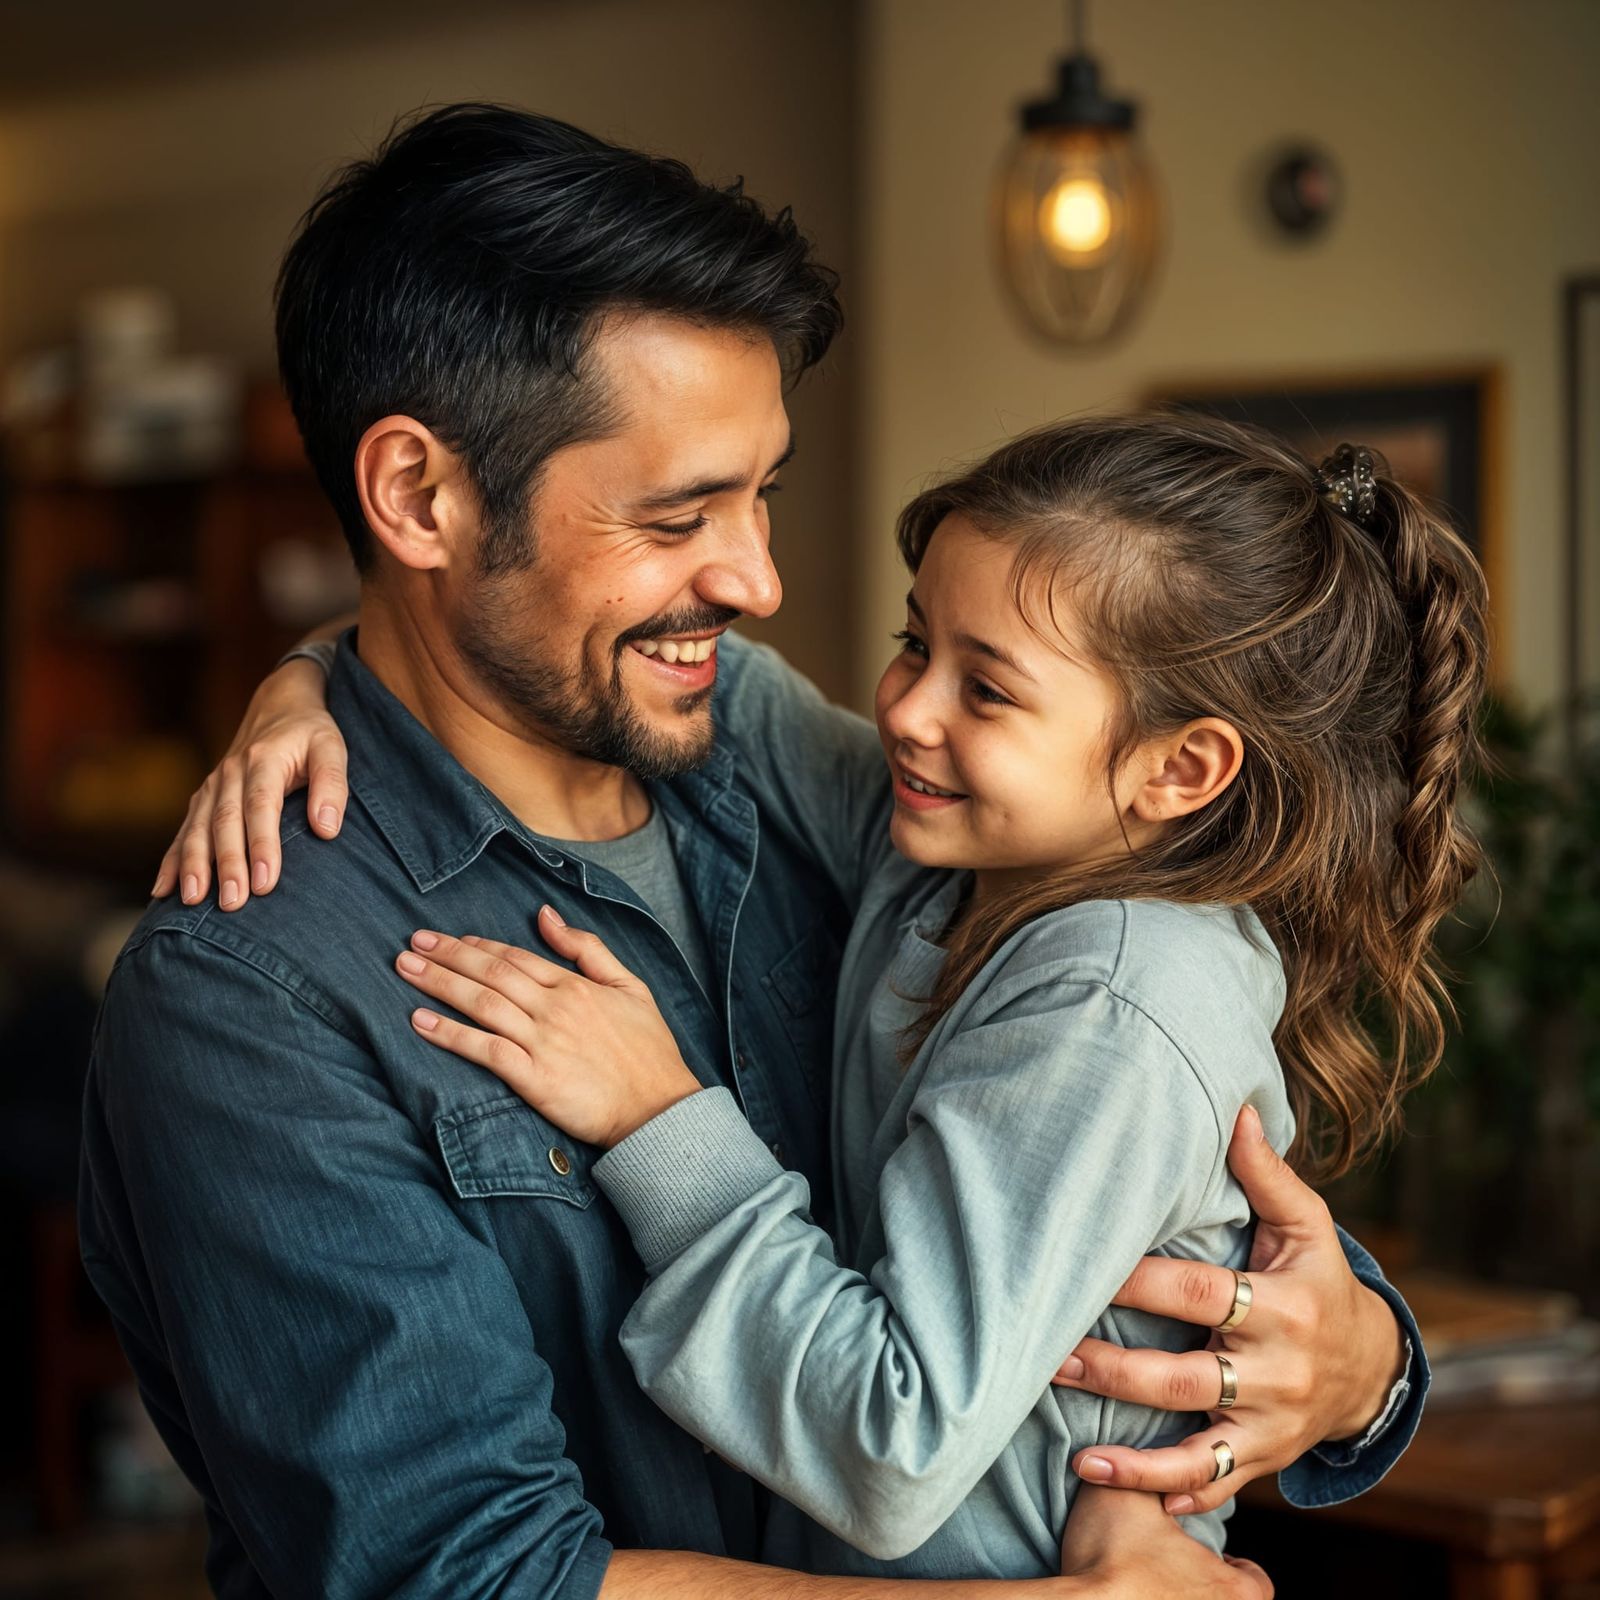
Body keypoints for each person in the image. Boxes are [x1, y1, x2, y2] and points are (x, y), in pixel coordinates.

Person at [82, 104, 1411, 1599]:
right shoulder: (252, 989)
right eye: (679, 514)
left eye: (759, 493)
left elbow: (1103, 1178)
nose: (760, 579)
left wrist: (1358, 1360)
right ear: (418, 498)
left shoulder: (820, 802)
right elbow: (465, 1579)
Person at [366, 414, 1486, 1578]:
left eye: (986, 690)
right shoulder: (952, 850)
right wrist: (312, 685)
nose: (906, 707)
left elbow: (888, 1447)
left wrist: (659, 1119)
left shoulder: (1114, 1004)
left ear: (1178, 768)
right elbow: (550, 642)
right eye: (917, 643)